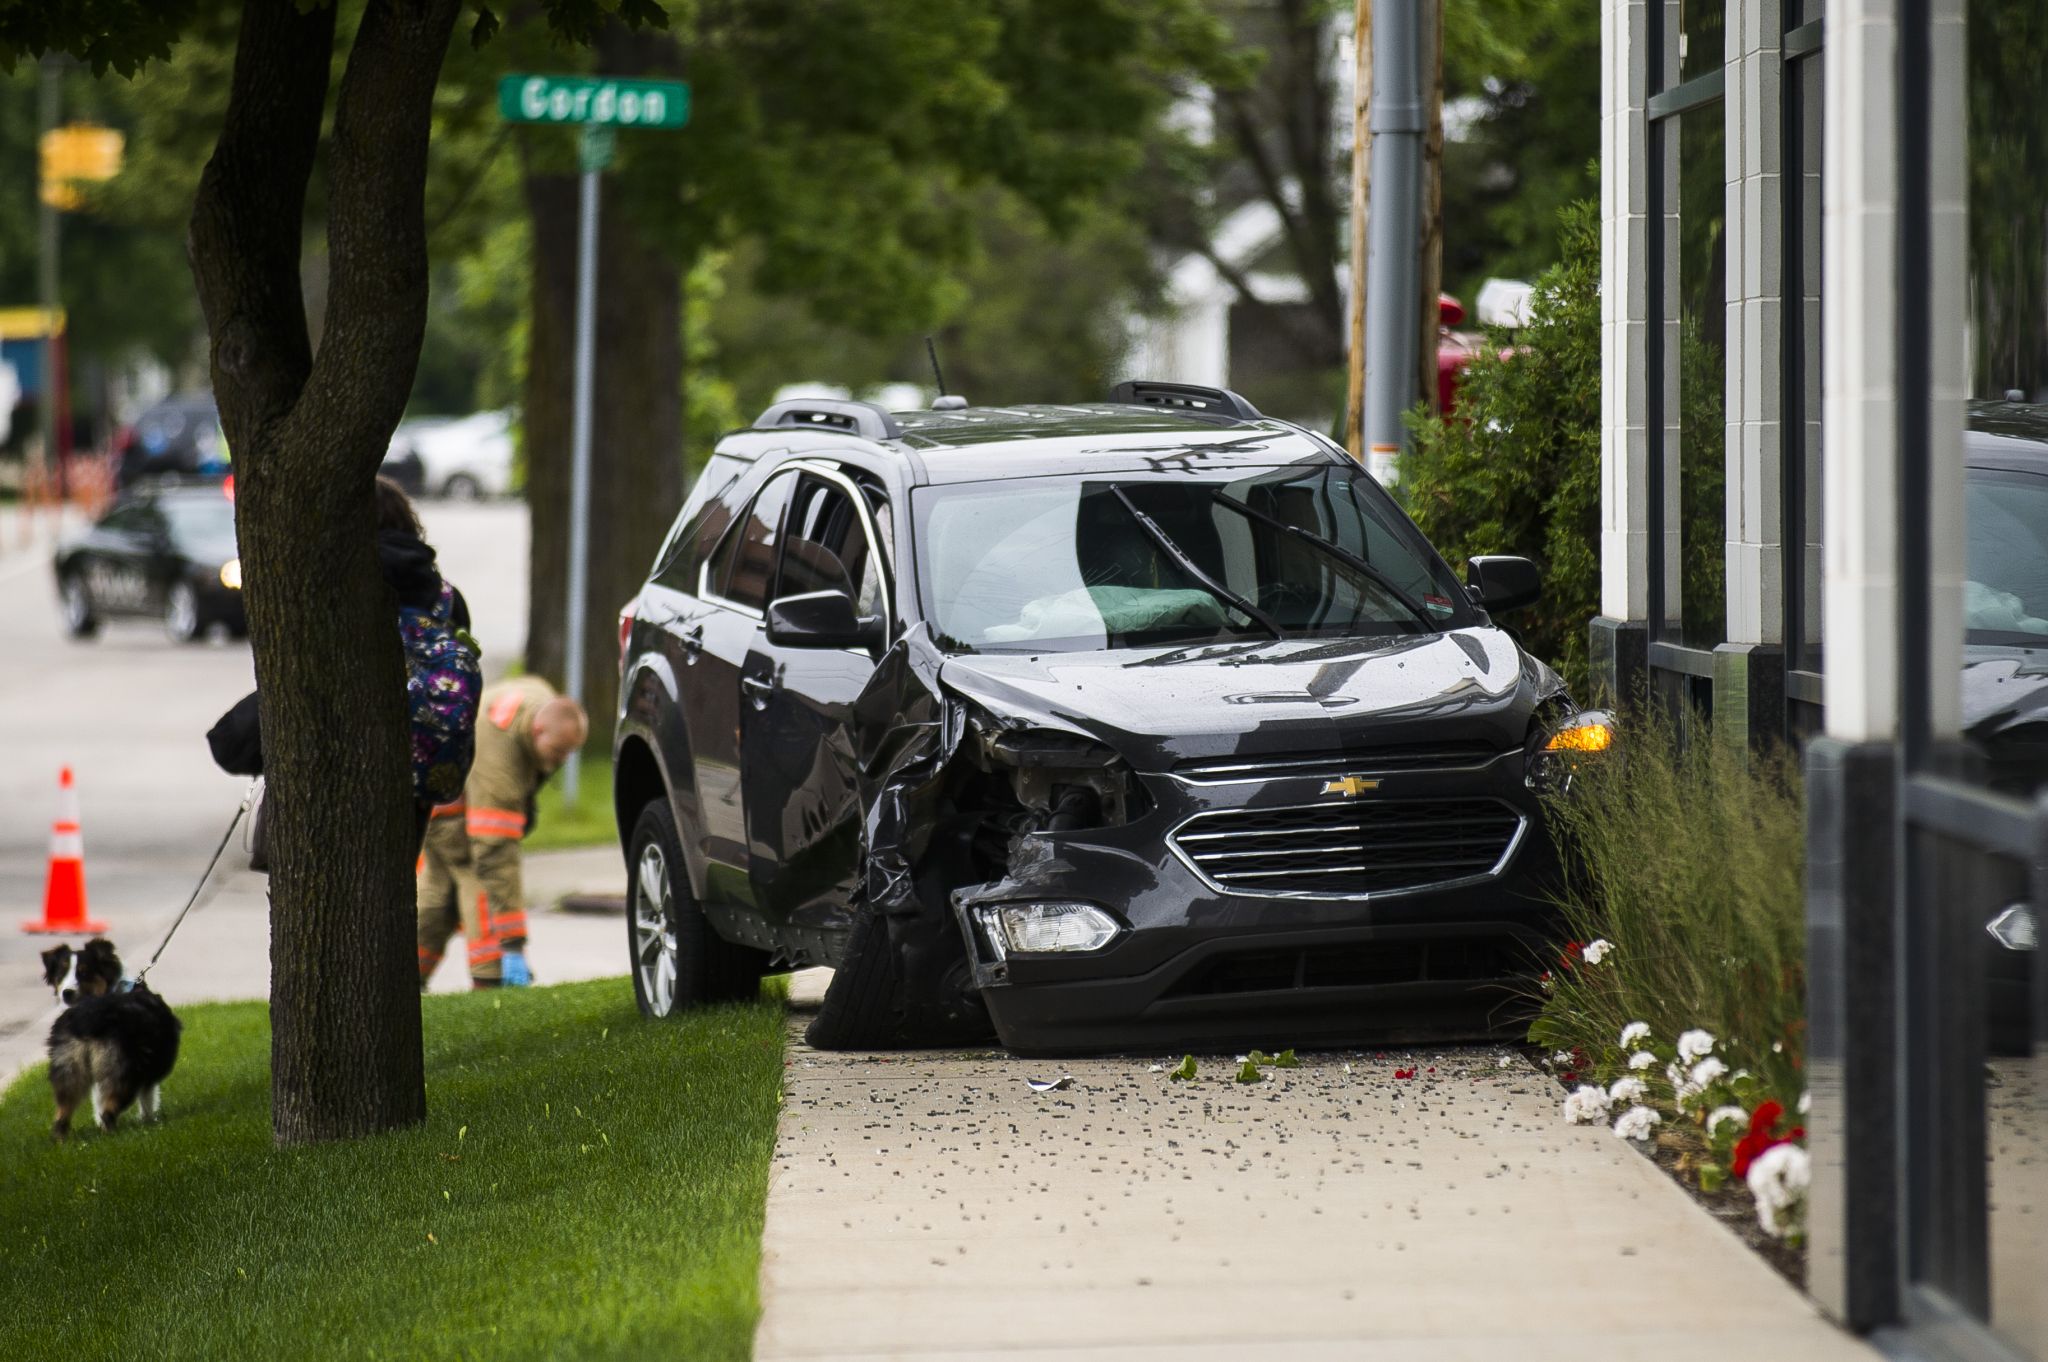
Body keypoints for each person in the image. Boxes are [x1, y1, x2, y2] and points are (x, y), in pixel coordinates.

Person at [416, 676, 587, 989]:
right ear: (537, 730)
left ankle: (397, 984)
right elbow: (494, 851)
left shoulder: (539, 700)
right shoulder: (499, 758)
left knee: (437, 898)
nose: (560, 761)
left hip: (437, 797)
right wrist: (513, 945)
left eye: (567, 754)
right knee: (481, 879)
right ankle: (491, 978)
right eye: (557, 751)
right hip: (448, 813)